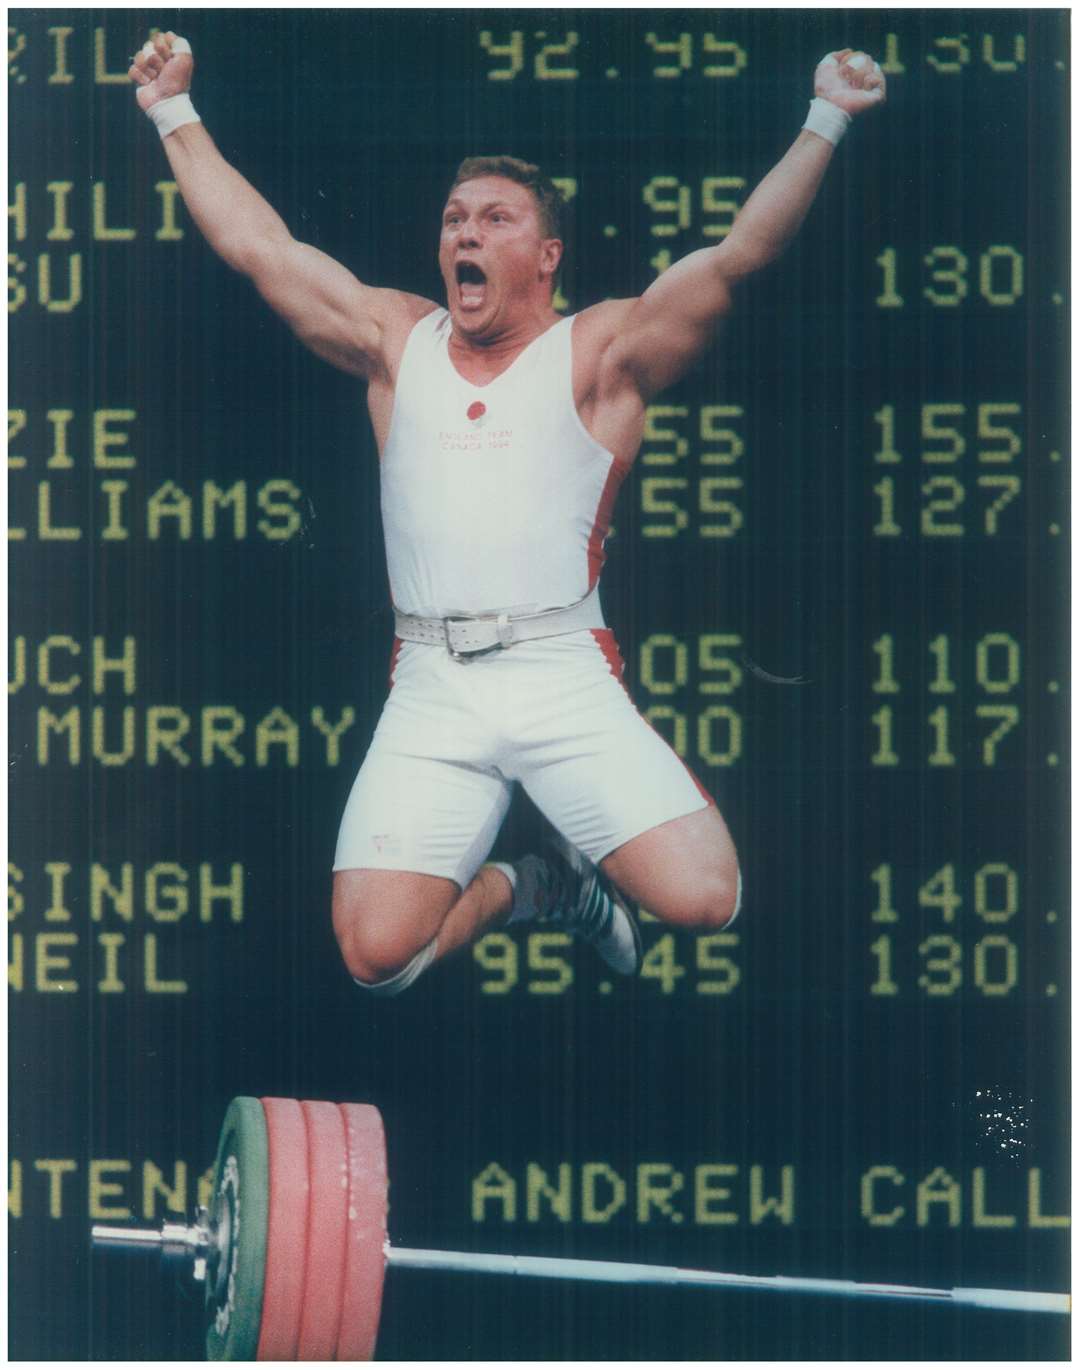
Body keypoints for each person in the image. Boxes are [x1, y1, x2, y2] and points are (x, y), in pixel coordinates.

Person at [129, 34, 885, 995]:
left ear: (547, 255)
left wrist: (827, 117)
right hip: (432, 684)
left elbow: (739, 256)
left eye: (494, 219)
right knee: (376, 959)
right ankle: (542, 887)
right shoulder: (396, 340)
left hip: (559, 673)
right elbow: (258, 246)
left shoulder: (600, 351)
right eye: (453, 221)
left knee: (706, 899)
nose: (465, 236)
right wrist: (171, 110)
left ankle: (576, 878)